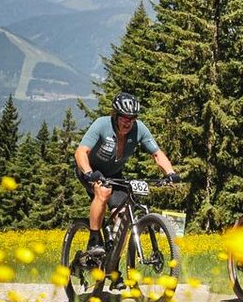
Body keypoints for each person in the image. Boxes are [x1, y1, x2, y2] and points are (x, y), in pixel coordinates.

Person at [74, 92, 179, 256]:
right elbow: (81, 152)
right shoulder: (101, 124)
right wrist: (88, 173)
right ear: (115, 115)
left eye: (132, 118)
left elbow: (157, 154)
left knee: (123, 217)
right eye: (124, 117)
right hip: (90, 169)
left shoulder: (139, 129)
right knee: (102, 191)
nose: (128, 122)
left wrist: (170, 173)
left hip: (114, 174)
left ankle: (113, 268)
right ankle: (94, 239)